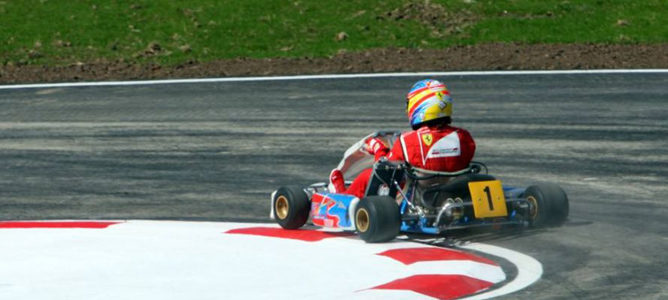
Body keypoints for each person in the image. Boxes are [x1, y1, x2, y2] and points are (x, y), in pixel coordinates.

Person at [329, 79, 476, 198]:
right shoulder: (464, 137)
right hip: (452, 193)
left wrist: (378, 148)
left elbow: (384, 169)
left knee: (368, 175)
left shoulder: (408, 141)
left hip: (417, 197)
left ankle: (342, 197)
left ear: (420, 106)